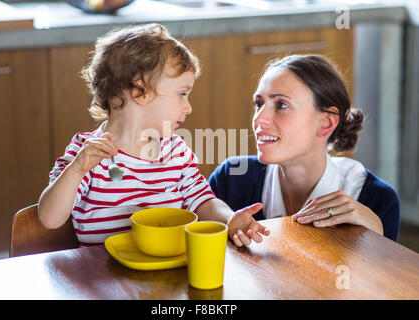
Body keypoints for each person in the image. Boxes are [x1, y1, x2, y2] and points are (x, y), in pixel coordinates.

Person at [38, 23, 269, 247]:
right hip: (104, 278)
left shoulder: (176, 150)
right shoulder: (87, 153)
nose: (188, 107)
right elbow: (50, 219)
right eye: (181, 94)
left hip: (169, 272)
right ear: (141, 91)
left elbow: (203, 201)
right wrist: (76, 170)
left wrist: (229, 220)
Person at [209, 54, 400, 246]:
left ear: (326, 123)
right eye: (259, 104)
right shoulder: (230, 179)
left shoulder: (376, 199)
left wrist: (376, 241)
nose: (258, 119)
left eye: (281, 105)